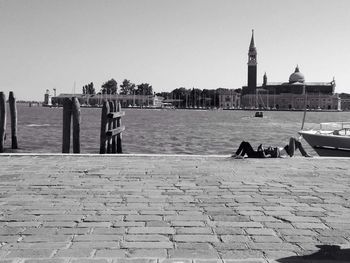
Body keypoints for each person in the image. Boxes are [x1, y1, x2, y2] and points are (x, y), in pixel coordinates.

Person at [231, 137, 311, 158]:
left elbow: (264, 156)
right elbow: (265, 157)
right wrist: (261, 149)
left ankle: (239, 155)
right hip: (287, 153)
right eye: (271, 148)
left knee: (295, 140)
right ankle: (238, 155)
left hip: (287, 151)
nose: (271, 148)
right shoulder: (267, 153)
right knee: (293, 139)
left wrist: (261, 149)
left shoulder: (256, 153)